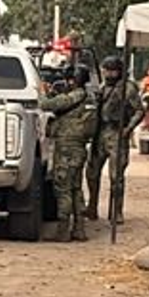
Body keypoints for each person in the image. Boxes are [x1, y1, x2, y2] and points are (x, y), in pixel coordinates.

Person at [39, 65, 98, 242]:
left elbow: (47, 104)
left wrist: (42, 92)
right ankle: (79, 229)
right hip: (78, 147)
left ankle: (63, 231)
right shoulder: (90, 97)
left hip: (67, 148)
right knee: (75, 188)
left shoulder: (76, 95)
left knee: (62, 187)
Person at [86, 56, 144, 223]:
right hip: (100, 132)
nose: (107, 73)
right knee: (91, 172)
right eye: (105, 70)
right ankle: (92, 207)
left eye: (110, 70)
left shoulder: (127, 88)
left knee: (116, 176)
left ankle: (117, 211)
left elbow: (139, 111)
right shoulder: (103, 87)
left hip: (117, 133)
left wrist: (127, 129)